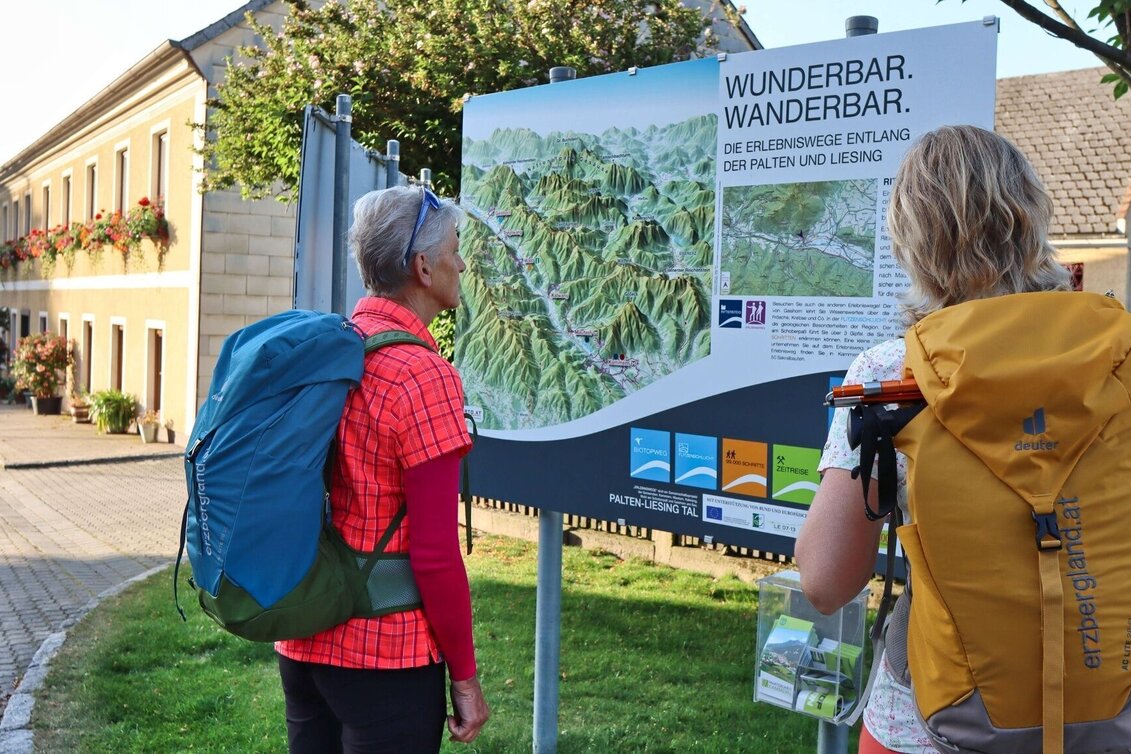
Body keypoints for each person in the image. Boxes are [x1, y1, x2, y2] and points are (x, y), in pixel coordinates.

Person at [794, 125, 1072, 754]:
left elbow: (826, 578)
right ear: (1032, 218)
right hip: (1096, 707)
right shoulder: (1115, 364)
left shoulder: (894, 373)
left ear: (912, 239)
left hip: (930, 719)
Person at [275, 185, 490, 753]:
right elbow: (437, 554)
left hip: (302, 637)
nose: (461, 261)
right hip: (384, 656)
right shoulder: (421, 376)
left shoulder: (326, 352)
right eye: (454, 247)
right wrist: (465, 680)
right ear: (423, 266)